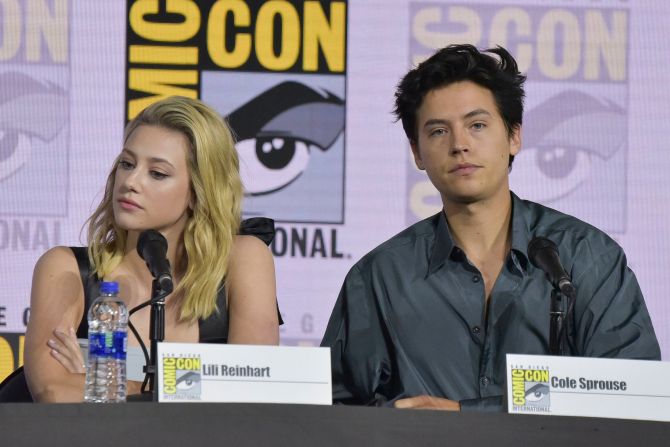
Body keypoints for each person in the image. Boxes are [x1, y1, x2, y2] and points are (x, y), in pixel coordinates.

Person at [320, 44, 660, 411]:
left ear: (514, 136)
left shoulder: (586, 258)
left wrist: (464, 415)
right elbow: (331, 410)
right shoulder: (380, 277)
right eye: (438, 131)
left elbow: (632, 397)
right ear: (417, 152)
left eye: (477, 125)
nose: (460, 145)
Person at [24, 96, 280, 402]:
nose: (130, 182)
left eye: (157, 173)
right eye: (127, 164)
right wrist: (188, 388)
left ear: (199, 191)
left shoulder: (244, 258)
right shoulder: (65, 268)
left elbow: (251, 392)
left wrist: (103, 383)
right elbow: (53, 391)